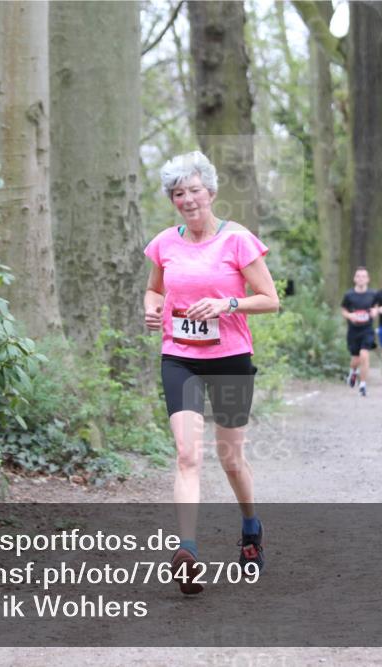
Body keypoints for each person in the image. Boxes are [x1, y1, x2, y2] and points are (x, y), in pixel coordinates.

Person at [143, 151, 279, 595]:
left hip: (230, 357)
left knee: (230, 459)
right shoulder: (165, 243)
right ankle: (187, 551)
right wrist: (152, 308)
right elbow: (153, 289)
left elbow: (270, 299)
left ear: (212, 192)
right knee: (187, 455)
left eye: (194, 190)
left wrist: (228, 304)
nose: (187, 199)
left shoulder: (237, 240)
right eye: (178, 193)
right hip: (179, 357)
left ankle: (251, 529)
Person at [340, 267, 379, 397]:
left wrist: (375, 312)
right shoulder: (349, 295)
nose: (361, 278)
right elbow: (343, 310)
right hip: (353, 330)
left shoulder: (373, 294)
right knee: (355, 358)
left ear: (368, 279)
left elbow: (376, 307)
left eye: (363, 276)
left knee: (364, 354)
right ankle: (352, 372)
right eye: (358, 276)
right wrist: (350, 316)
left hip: (367, 329)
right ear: (355, 279)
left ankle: (362, 385)